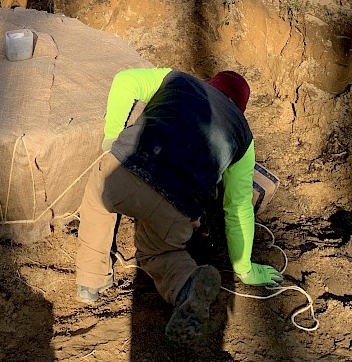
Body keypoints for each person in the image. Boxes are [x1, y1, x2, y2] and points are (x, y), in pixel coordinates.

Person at [75, 67, 283, 345]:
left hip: (125, 171)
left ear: (211, 84)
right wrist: (244, 268)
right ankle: (187, 285)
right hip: (179, 206)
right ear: (240, 109)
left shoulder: (178, 79)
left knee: (98, 207)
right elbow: (238, 208)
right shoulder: (242, 136)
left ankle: (90, 282)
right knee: (160, 252)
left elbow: (124, 81)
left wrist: (111, 137)